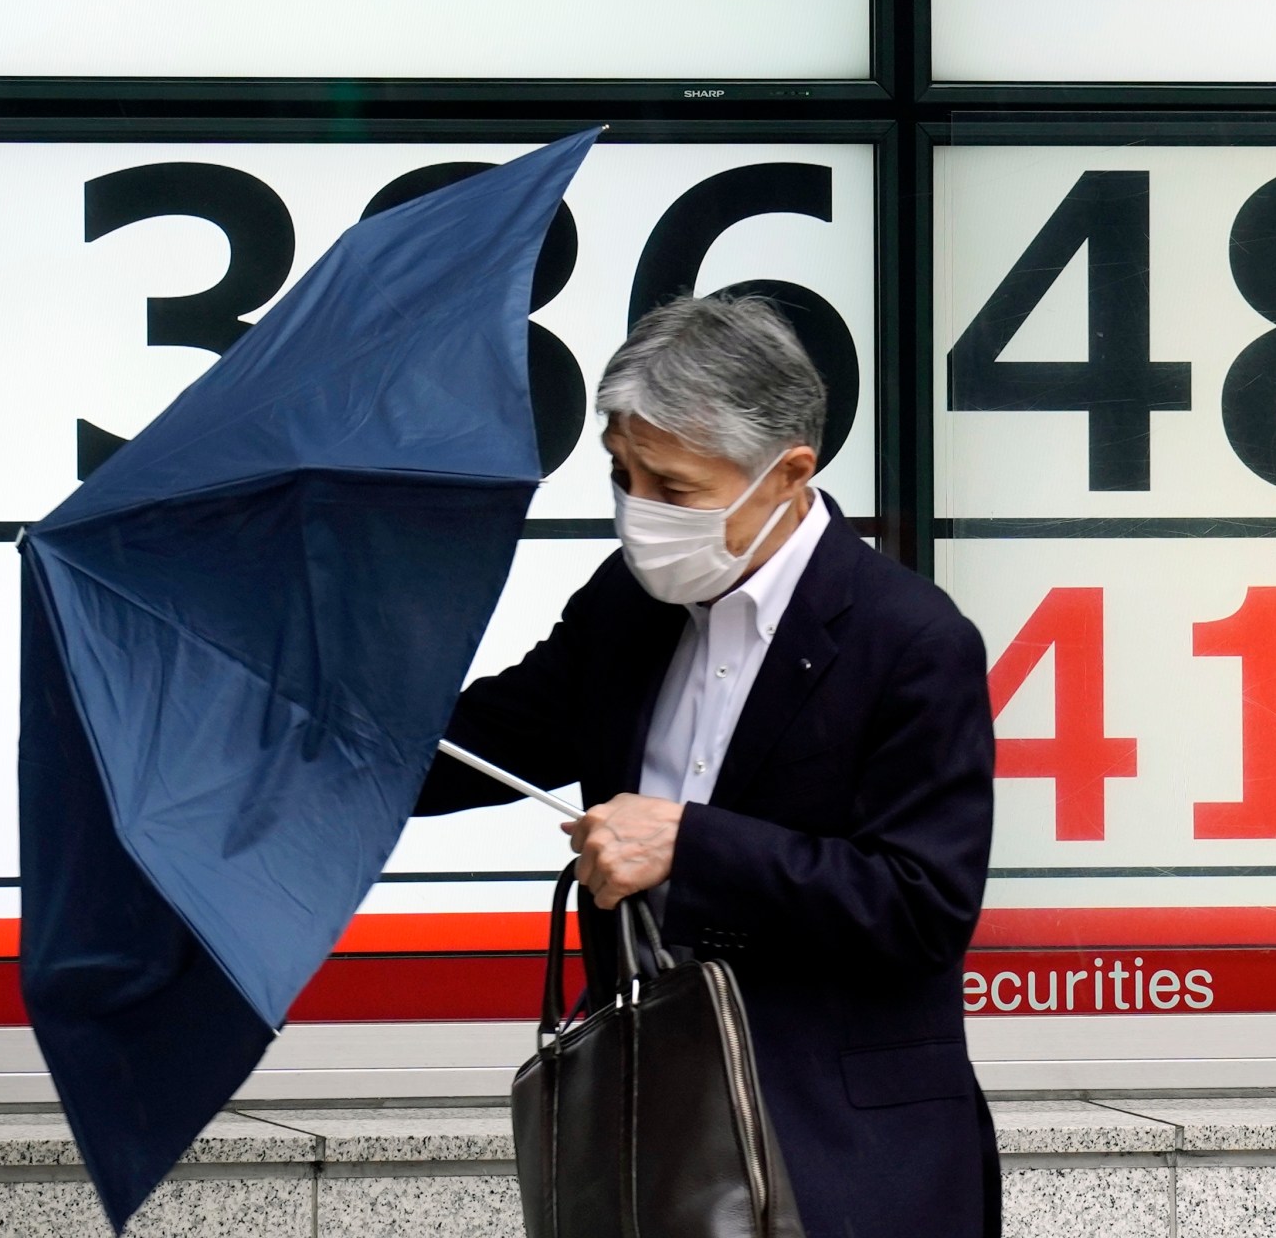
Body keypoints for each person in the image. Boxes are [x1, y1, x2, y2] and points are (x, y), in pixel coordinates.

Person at [415, 295, 1001, 1238]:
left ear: (788, 475)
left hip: (842, 1156)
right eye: (622, 473)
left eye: (674, 488)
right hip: (658, 1139)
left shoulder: (910, 638)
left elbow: (921, 904)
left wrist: (691, 845)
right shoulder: (627, 603)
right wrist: (305, 722)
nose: (640, 510)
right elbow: (480, 743)